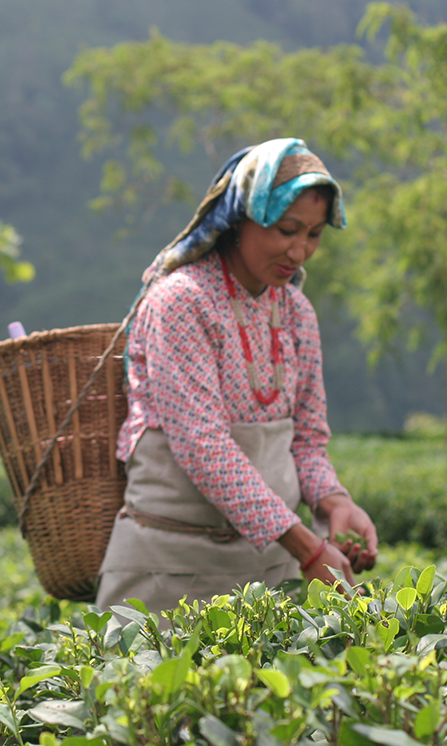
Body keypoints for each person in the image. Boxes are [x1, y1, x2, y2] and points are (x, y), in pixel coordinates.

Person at [95, 138, 378, 619]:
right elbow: (203, 446)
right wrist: (308, 548)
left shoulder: (296, 314)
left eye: (313, 234)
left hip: (272, 569)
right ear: (239, 218)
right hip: (169, 569)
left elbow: (306, 442)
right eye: (286, 229)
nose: (299, 250)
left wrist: (335, 503)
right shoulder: (181, 302)